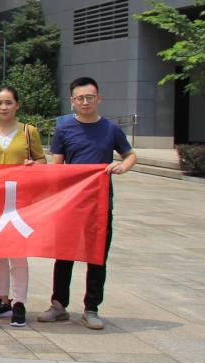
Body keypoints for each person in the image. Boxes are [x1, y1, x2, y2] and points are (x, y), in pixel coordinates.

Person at [39, 76, 136, 331]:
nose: (85, 102)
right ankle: (58, 305)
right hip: (71, 204)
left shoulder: (111, 129)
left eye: (90, 97)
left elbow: (130, 155)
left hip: (100, 205)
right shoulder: (64, 129)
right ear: (72, 101)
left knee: (97, 257)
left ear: (98, 98)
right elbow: (57, 167)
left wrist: (122, 166)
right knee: (64, 255)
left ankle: (91, 308)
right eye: (80, 98)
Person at [0, 85, 47, 328]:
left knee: (18, 253)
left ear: (17, 105)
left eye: (8, 102)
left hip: (19, 200)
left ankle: (19, 302)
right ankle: (2, 298)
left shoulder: (29, 131)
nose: (4, 107)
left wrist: (34, 165)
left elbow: (42, 160)